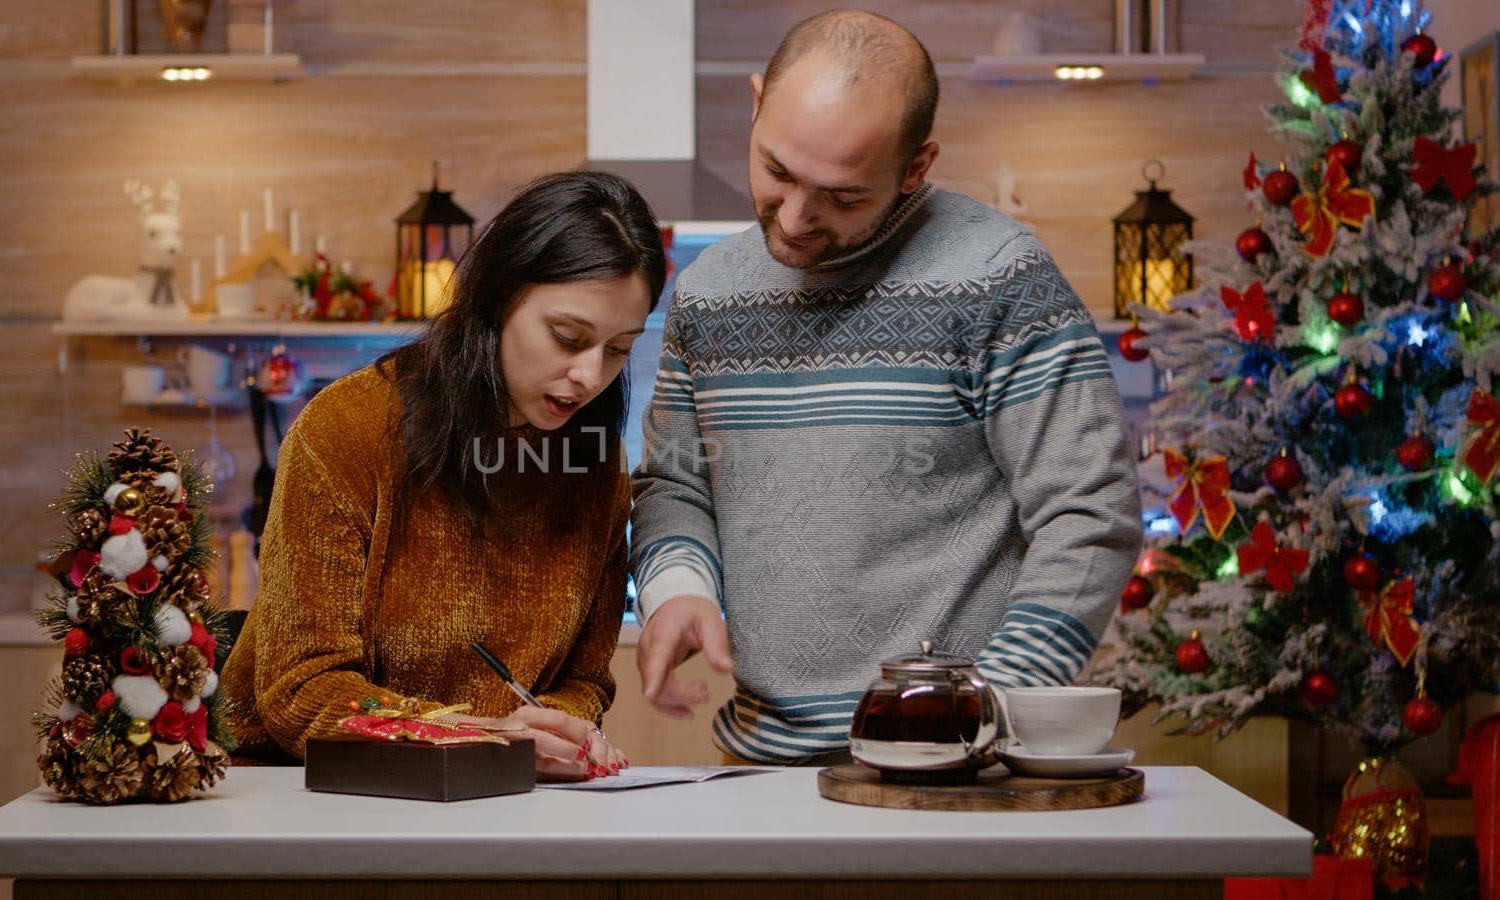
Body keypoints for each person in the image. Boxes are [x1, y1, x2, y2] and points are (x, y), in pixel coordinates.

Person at [631, 10, 1144, 764]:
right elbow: (675, 486)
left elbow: (1091, 512)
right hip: (758, 764)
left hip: (958, 775)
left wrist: (985, 713)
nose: (798, 220)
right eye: (776, 172)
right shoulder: (707, 293)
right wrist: (678, 586)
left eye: (842, 197)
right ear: (755, 103)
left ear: (916, 166)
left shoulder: (998, 277)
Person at [222, 171, 667, 780]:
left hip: (501, 797)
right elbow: (300, 690)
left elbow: (584, 680)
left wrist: (557, 728)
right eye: (568, 337)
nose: (591, 376)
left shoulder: (593, 467)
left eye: (619, 348)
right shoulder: (348, 429)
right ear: (496, 298)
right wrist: (482, 738)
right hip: (297, 793)